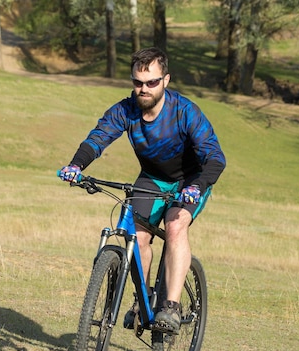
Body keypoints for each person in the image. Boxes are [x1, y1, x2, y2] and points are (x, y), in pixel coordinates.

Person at [58, 47, 226, 332]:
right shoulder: (126, 110)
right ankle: (144, 298)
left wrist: (197, 187)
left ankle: (171, 307)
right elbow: (97, 139)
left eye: (151, 82)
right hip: (152, 178)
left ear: (166, 80)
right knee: (136, 236)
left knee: (175, 226)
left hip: (190, 181)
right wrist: (76, 165)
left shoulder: (185, 112)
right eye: (138, 82)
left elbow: (215, 158)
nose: (143, 89)